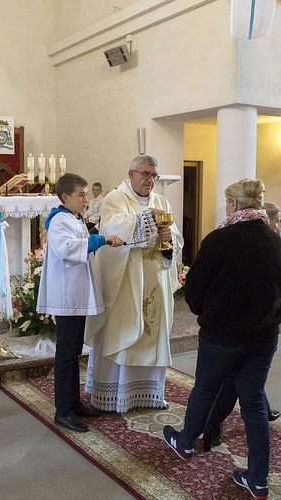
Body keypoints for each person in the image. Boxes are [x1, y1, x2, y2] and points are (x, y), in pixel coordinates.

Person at [163, 178, 281, 499]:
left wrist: (207, 311)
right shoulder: (273, 241)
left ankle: (186, 442)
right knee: (254, 405)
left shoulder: (219, 239)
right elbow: (277, 289)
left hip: (223, 335)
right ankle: (258, 479)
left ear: (232, 205)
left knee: (204, 390)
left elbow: (194, 289)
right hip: (263, 336)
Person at [84, 154, 183, 413]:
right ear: (131, 174)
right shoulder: (116, 198)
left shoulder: (161, 200)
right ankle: (118, 395)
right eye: (146, 174)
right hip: (127, 279)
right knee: (125, 330)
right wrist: (148, 219)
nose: (151, 180)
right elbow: (112, 229)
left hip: (155, 276)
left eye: (154, 175)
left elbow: (176, 238)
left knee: (153, 332)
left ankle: (149, 394)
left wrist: (168, 239)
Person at [36, 173, 123, 433]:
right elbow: (67, 249)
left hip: (76, 296)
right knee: (65, 355)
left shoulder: (73, 217)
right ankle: (63, 411)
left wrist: (96, 232)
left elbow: (81, 237)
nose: (86, 199)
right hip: (67, 297)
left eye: (86, 194)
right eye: (81, 194)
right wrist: (101, 239)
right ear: (66, 197)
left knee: (73, 353)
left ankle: (73, 404)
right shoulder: (60, 220)